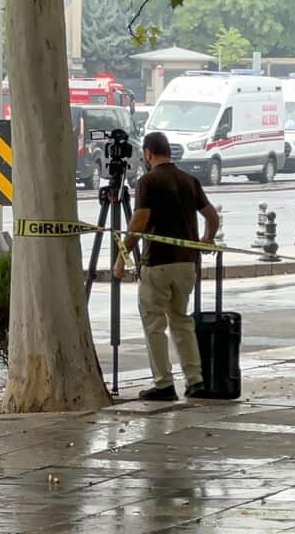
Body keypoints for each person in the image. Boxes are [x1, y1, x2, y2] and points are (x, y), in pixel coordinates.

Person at [113, 131, 219, 401]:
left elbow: (139, 219)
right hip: (187, 264)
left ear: (148, 153)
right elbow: (211, 215)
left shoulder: (148, 181)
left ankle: (164, 384)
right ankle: (195, 381)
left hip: (158, 263)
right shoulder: (189, 180)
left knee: (155, 325)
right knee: (182, 321)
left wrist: (121, 256)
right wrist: (207, 238)